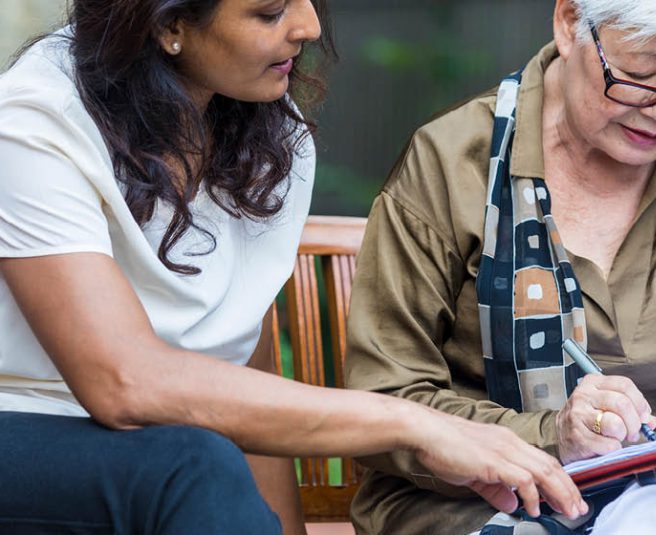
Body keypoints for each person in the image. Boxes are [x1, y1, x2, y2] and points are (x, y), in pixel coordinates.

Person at [0, 0, 588, 533]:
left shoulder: (267, 131)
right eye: (269, 12)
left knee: (195, 457)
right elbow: (122, 383)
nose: (307, 27)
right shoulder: (36, 120)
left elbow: (237, 349)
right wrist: (416, 422)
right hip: (25, 429)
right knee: (191, 460)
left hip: (172, 457)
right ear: (168, 25)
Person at [344, 0, 656, 533]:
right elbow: (384, 398)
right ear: (572, 23)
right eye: (639, 75)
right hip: (486, 507)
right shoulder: (453, 164)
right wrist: (551, 436)